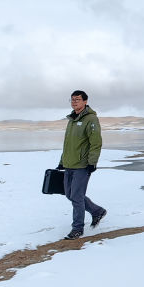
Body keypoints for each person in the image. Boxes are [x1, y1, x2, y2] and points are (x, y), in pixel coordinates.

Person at [56, 90, 107, 240]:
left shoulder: (90, 119)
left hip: (82, 165)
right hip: (69, 164)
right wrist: (62, 161)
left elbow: (96, 142)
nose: (74, 102)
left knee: (76, 197)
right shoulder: (72, 119)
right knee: (69, 194)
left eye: (77, 99)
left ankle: (77, 228)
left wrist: (92, 162)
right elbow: (68, 144)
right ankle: (97, 211)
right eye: (72, 100)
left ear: (85, 101)